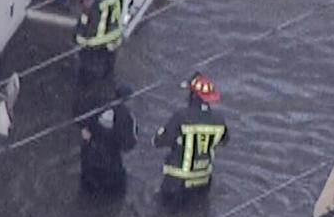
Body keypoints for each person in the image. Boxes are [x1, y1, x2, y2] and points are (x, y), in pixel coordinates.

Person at [152, 72, 229, 207]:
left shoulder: (181, 116)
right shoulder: (219, 120)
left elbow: (158, 141)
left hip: (177, 183)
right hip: (203, 183)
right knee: (198, 214)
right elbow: (224, 141)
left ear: (193, 96)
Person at [75, 79, 138, 194]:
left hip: (89, 159)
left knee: (86, 194)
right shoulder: (127, 117)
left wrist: (84, 128)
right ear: (128, 100)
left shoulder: (97, 103)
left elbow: (79, 111)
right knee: (113, 198)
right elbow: (129, 145)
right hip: (110, 166)